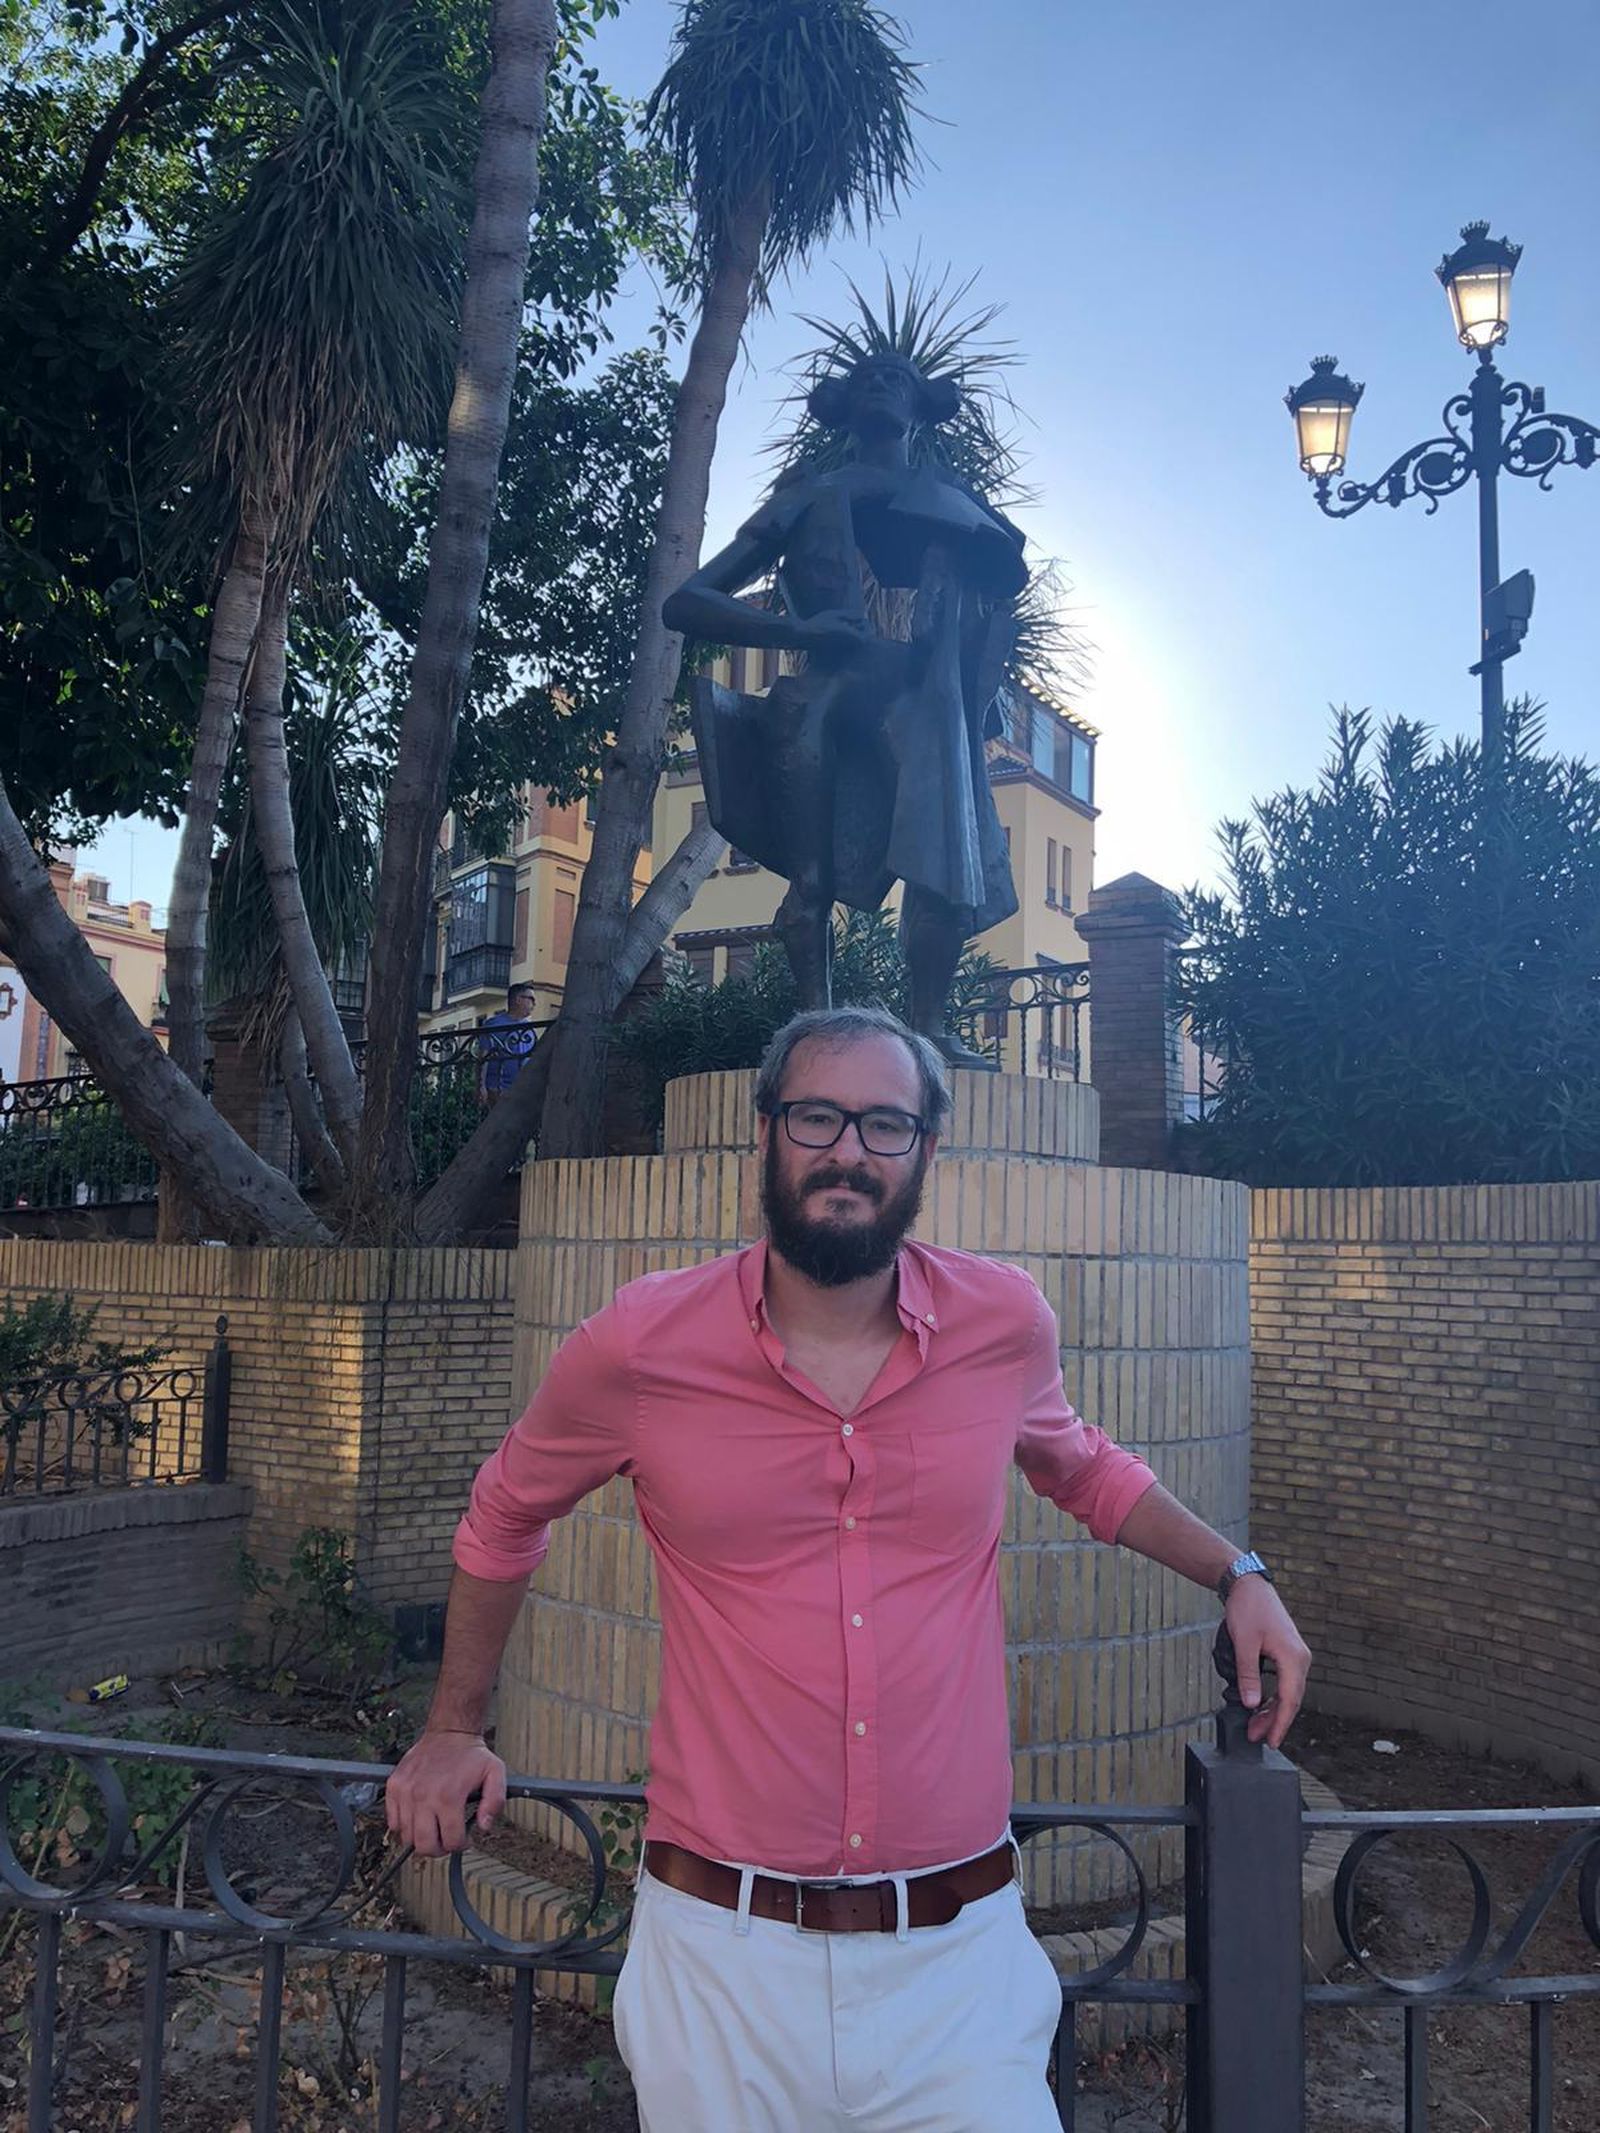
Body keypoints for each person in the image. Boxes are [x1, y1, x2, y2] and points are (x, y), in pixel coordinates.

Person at [386, 1005, 1312, 2133]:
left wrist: (1238, 1574)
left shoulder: (1002, 1321)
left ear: (926, 1151)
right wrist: (451, 1724)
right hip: (719, 1958)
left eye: (885, 1125)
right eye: (818, 1116)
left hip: (956, 1960)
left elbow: (1083, 1468)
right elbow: (504, 1513)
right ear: (766, 1133)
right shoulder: (641, 1343)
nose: (848, 1153)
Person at [662, 351, 1028, 1070]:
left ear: (923, 406)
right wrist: (796, 632)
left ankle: (929, 1030)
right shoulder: (808, 495)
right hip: (823, 699)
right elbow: (688, 601)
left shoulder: (954, 508)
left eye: (898, 378)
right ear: (846, 404)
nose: (884, 384)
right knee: (811, 883)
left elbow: (994, 598)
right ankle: (814, 1031)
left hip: (920, 705)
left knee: (945, 868)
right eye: (869, 377)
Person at [477, 983, 537, 1105]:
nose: (534, 1004)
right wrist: (480, 1086)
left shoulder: (529, 1029)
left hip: (523, 1090)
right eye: (531, 999)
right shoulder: (494, 1024)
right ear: (518, 1000)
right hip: (498, 1089)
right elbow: (483, 1056)